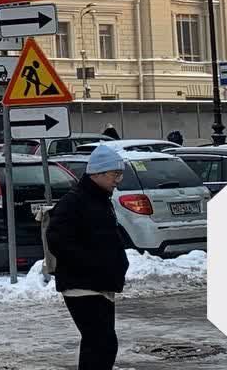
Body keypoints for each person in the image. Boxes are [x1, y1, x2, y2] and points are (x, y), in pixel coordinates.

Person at [46, 144, 129, 370]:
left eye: (119, 175)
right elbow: (56, 239)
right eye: (115, 174)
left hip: (100, 284)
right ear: (98, 174)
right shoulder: (75, 201)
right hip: (82, 285)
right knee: (101, 343)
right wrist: (93, 265)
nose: (118, 180)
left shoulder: (100, 199)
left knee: (100, 344)